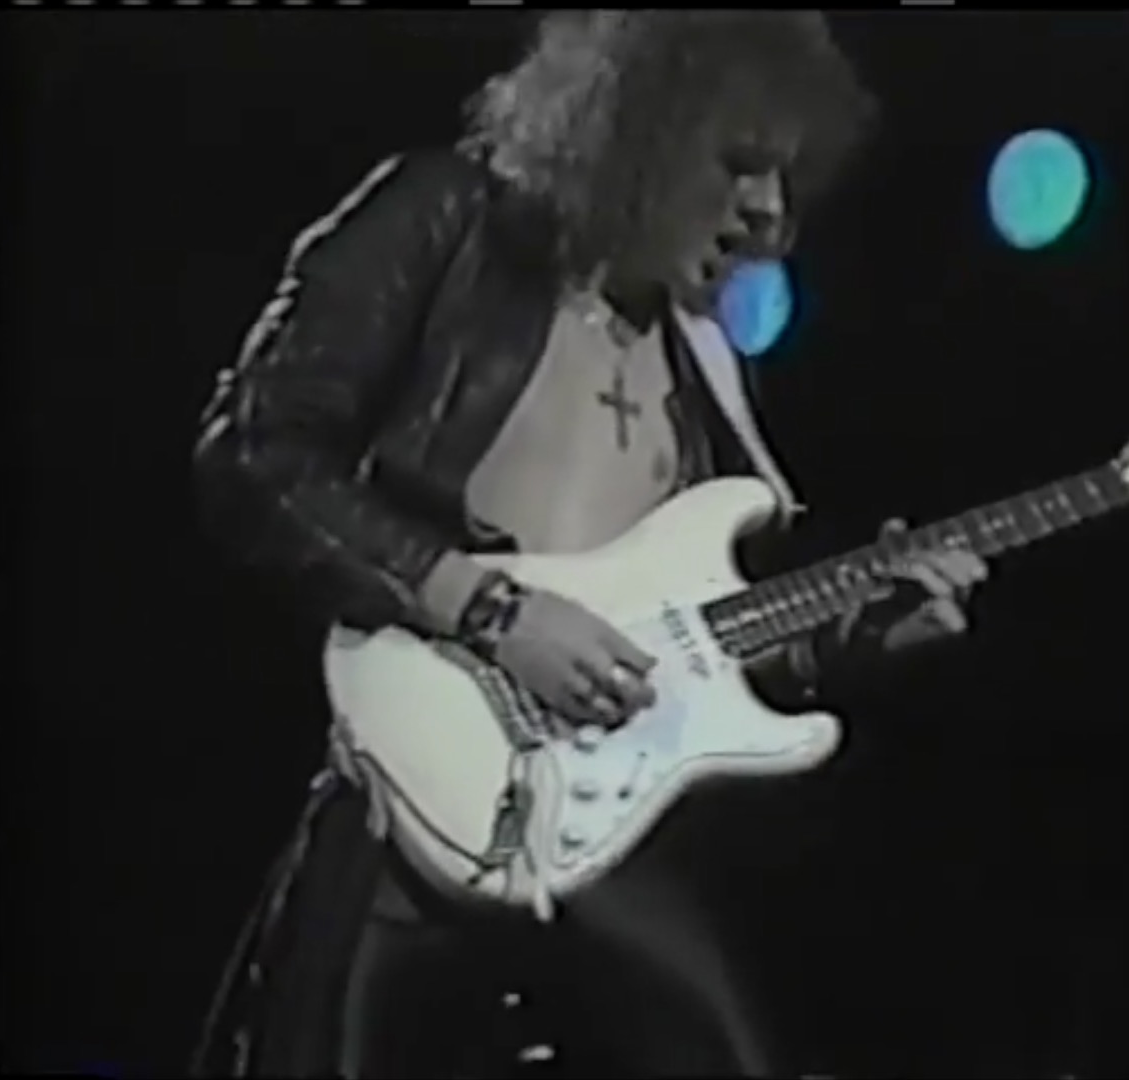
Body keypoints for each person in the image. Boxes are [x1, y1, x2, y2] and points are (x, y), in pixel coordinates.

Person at [189, 12, 992, 1078]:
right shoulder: (446, 218)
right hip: (409, 807)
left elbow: (684, 640)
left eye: (785, 177)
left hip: (613, 844)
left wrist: (837, 647)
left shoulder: (710, 365)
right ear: (636, 128)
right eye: (740, 163)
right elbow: (255, 454)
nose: (769, 212)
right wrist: (493, 610)